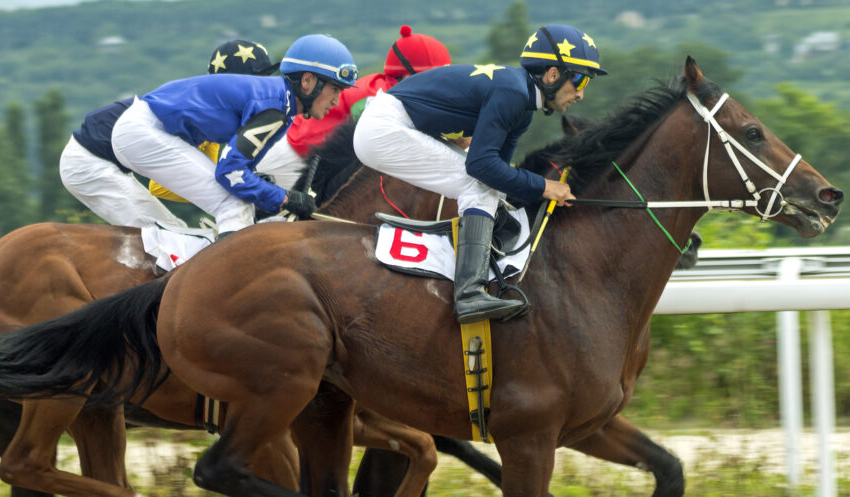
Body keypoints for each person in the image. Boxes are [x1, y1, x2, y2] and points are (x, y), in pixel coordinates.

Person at [353, 24, 606, 324]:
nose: (581, 93)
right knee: (479, 186)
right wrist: (544, 186)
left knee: (488, 188)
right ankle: (469, 293)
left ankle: (479, 271)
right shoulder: (513, 93)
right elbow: (482, 168)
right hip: (384, 128)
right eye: (580, 80)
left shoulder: (522, 106)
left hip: (393, 123)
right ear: (552, 74)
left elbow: (499, 173)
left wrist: (539, 193)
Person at [110, 34, 357, 237]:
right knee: (233, 204)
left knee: (239, 201)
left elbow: (239, 170)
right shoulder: (275, 108)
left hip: (141, 130)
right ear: (307, 81)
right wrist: (285, 198)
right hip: (144, 132)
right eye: (335, 89)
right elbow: (230, 172)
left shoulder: (282, 107)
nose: (336, 101)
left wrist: (273, 195)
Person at [58, 40, 277, 229]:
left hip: (101, 156)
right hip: (89, 163)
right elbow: (160, 188)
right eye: (259, 82)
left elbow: (206, 175)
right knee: (167, 236)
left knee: (176, 233)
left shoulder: (211, 108)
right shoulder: (205, 114)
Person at [255, 25, 450, 189]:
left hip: (302, 151)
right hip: (293, 157)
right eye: (434, 79)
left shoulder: (385, 87)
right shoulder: (382, 96)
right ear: (408, 76)